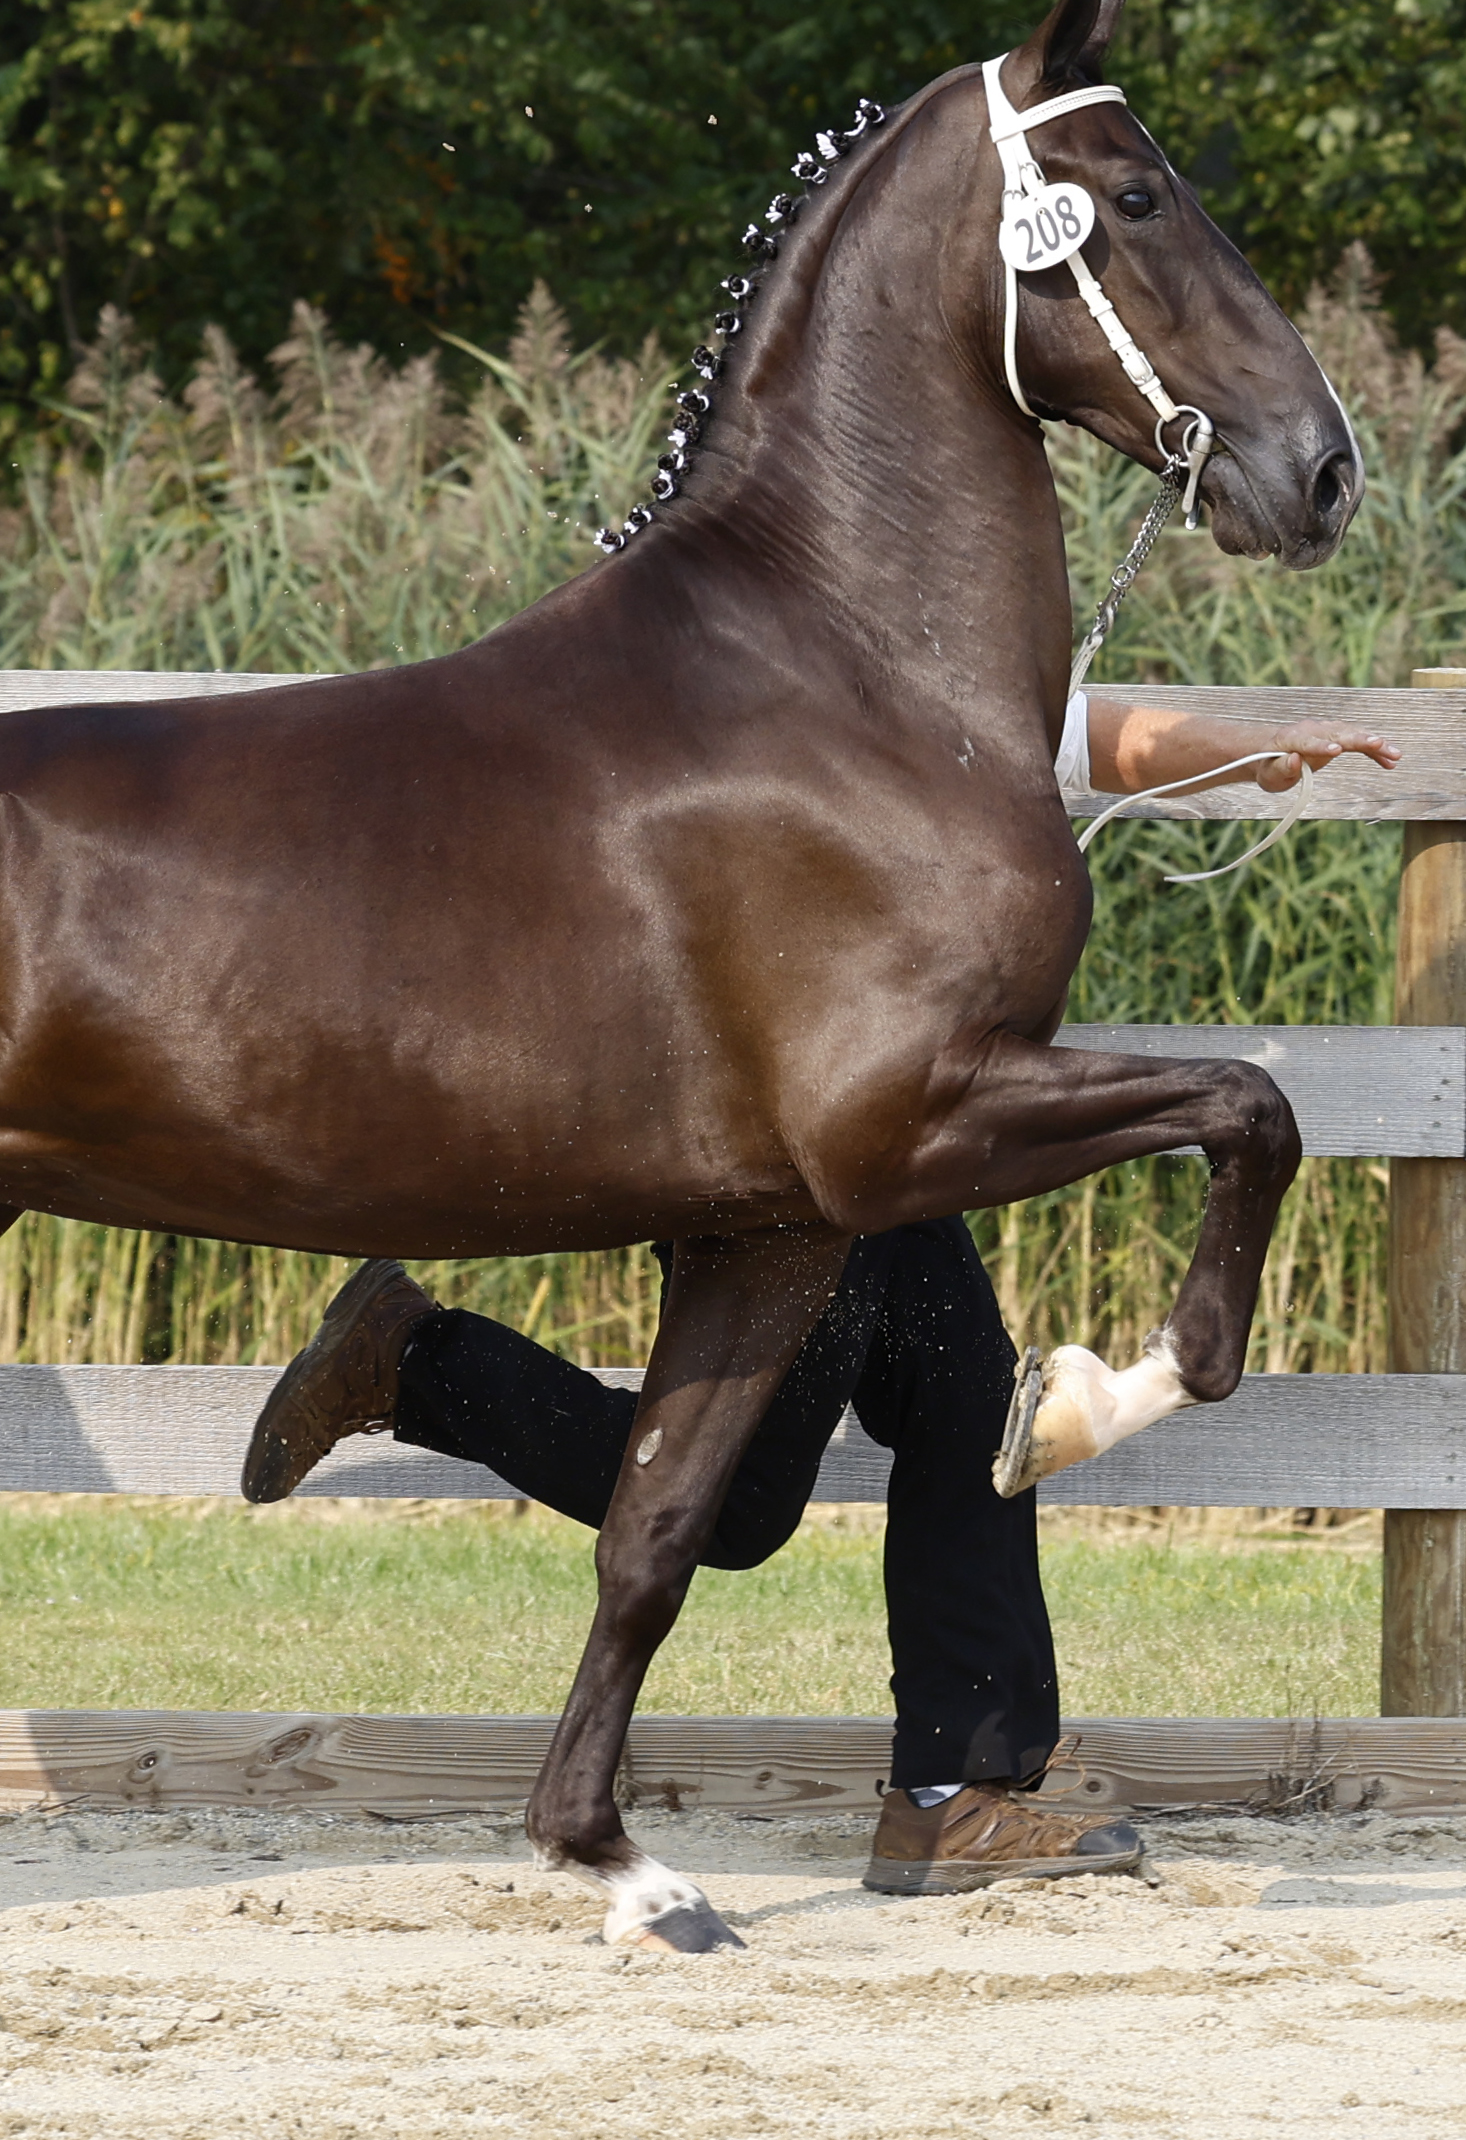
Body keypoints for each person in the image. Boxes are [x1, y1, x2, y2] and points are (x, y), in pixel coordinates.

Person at [245, 694, 1399, 1896]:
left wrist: (1260, 751)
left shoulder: (893, 662)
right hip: (800, 1136)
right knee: (753, 1497)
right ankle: (419, 1363)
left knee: (959, 1408)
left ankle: (953, 1798)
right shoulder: (795, 676)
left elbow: (1067, 731)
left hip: (869, 1125)